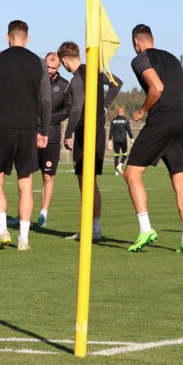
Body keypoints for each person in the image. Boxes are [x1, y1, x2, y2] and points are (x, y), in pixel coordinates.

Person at [123, 24, 183, 254]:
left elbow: (156, 88)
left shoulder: (140, 59)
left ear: (136, 42)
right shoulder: (173, 59)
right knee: (179, 179)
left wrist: (142, 111)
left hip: (161, 120)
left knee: (131, 173)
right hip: (182, 120)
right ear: (153, 39)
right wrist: (176, 110)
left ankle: (145, 229)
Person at [0, 20, 51, 251]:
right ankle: (24, 239)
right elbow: (46, 101)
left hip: (3, 127)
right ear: (27, 38)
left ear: (8, 37)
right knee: (25, 183)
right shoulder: (39, 63)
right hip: (29, 129)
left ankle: (2, 232)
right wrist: (44, 130)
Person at [59, 41, 121, 242]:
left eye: (62, 63)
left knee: (85, 182)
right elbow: (117, 83)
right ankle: (93, 228)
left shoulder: (78, 78)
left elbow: (76, 109)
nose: (64, 68)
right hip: (97, 133)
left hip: (86, 132)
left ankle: (91, 230)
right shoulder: (94, 71)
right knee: (88, 181)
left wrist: (68, 133)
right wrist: (105, 105)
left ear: (65, 60)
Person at [36, 51, 72, 228]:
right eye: (47, 66)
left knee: (47, 176)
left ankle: (43, 213)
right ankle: (22, 214)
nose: (49, 70)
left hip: (51, 137)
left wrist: (47, 119)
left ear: (59, 67)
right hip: (32, 135)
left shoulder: (65, 86)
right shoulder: (34, 80)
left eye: (53, 67)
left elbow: (67, 110)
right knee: (24, 175)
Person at [109, 107, 134, 175]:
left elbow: (111, 130)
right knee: (125, 154)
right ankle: (120, 165)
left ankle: (116, 172)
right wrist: (132, 139)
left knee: (116, 154)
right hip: (123, 140)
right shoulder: (125, 120)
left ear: (117, 113)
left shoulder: (114, 120)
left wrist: (109, 140)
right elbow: (129, 130)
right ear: (123, 112)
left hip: (115, 140)